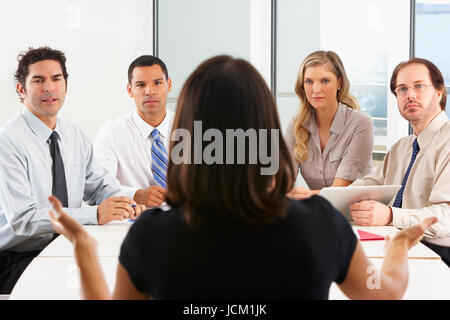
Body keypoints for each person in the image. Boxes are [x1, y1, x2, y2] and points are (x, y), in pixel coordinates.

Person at [49, 55, 437, 299]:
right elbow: (384, 294)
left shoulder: (152, 234)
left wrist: (83, 248)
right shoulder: (320, 225)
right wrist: (400, 247)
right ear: (265, 131)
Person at [0, 47, 147, 294]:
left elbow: (100, 186)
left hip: (65, 247)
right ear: (21, 89)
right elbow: (23, 220)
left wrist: (127, 204)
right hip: (18, 256)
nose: (49, 87)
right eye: (39, 80)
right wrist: (93, 215)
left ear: (65, 85)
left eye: (56, 79)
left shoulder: (73, 135)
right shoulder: (8, 142)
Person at [349, 57, 450, 267]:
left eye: (419, 86)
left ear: (439, 92)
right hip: (400, 244)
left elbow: (447, 218)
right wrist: (323, 198)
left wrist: (390, 215)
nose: (410, 95)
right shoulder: (401, 148)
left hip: (439, 253)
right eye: (402, 89)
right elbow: (370, 185)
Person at [285, 51, 373, 199]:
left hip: (360, 214)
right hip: (320, 211)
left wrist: (303, 195)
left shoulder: (361, 124)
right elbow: (283, 178)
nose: (316, 89)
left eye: (325, 81)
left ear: (339, 83)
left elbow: (341, 188)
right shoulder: (296, 125)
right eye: (309, 82)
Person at [94, 55, 174, 208]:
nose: (149, 91)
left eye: (157, 83)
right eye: (141, 85)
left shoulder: (189, 127)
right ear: (130, 90)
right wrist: (136, 195)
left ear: (168, 85)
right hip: (133, 224)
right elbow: (99, 188)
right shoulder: (111, 132)